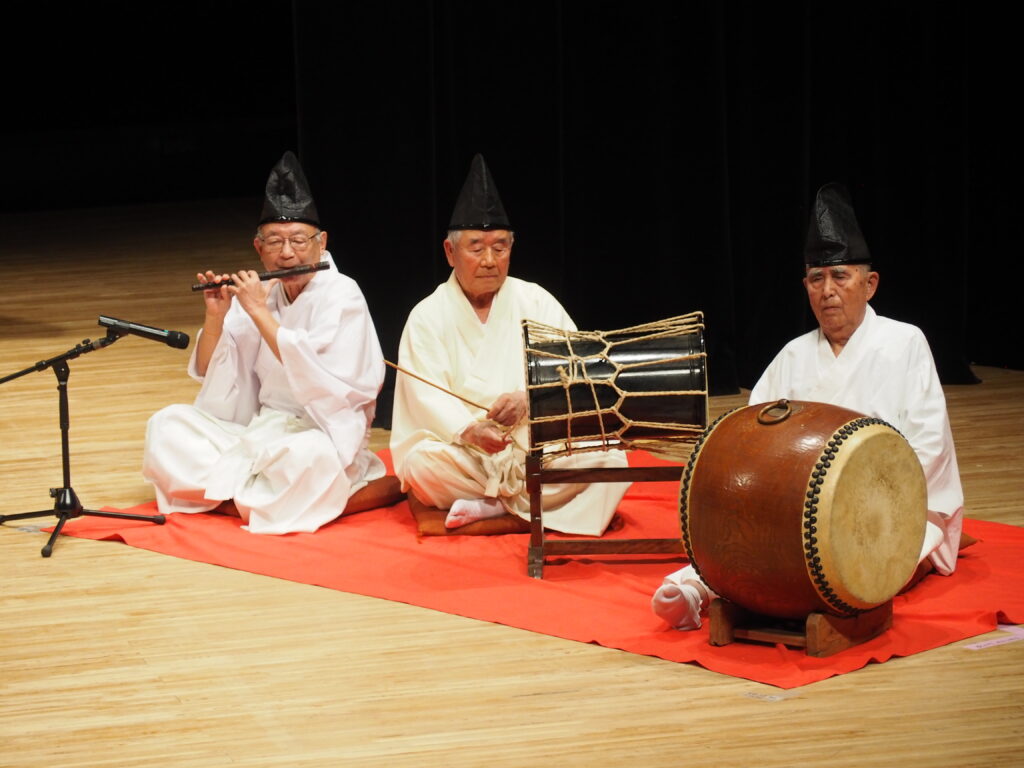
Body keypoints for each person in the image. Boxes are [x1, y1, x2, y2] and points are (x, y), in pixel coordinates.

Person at [653, 182, 965, 629]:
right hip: (797, 507)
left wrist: (862, 488)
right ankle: (696, 586)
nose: (828, 290)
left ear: (870, 283)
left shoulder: (905, 342)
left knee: (870, 551)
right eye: (816, 279)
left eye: (841, 277)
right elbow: (750, 434)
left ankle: (750, 593)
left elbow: (930, 442)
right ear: (805, 286)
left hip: (887, 505)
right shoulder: (794, 355)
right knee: (747, 541)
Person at [142, 150, 386, 534]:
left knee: (305, 459)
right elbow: (210, 373)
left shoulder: (343, 295)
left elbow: (320, 378)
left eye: (298, 241)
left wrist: (258, 312)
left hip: (319, 431)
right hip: (261, 428)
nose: (287, 253)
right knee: (168, 425)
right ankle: (258, 496)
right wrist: (216, 315)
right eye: (275, 242)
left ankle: (233, 496)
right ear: (259, 248)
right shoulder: (263, 292)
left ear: (321, 242)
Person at [390, 153, 631, 534]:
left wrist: (529, 399)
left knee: (611, 460)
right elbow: (423, 395)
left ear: (512, 248)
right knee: (421, 465)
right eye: (476, 247)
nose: (489, 260)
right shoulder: (428, 315)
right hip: (466, 452)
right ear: (450, 252)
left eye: (500, 247)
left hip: (533, 445)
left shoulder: (536, 300)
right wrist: (469, 430)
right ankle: (531, 505)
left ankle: (493, 507)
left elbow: (581, 368)